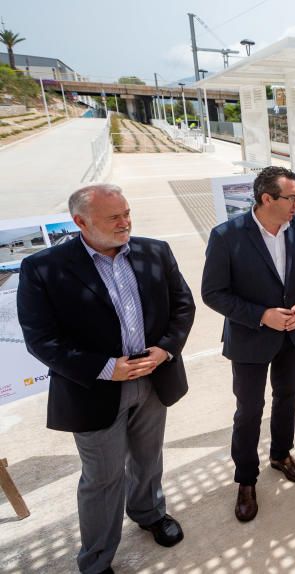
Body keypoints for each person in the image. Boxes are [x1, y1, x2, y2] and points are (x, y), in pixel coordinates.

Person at [17, 184, 195, 574]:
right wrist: (104, 367)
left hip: (153, 378)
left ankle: (149, 512)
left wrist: (165, 349)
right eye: (114, 217)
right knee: (102, 478)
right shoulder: (44, 268)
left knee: (149, 459)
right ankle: (97, 560)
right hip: (93, 390)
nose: (125, 223)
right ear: (80, 222)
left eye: (127, 213)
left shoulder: (155, 251)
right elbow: (41, 340)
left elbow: (183, 304)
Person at [202, 166, 295, 523]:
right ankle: (246, 480)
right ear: (267, 199)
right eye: (292, 197)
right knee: (249, 410)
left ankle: (281, 455)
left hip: (293, 335)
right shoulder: (226, 235)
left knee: (288, 398)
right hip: (250, 338)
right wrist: (261, 315)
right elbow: (213, 293)